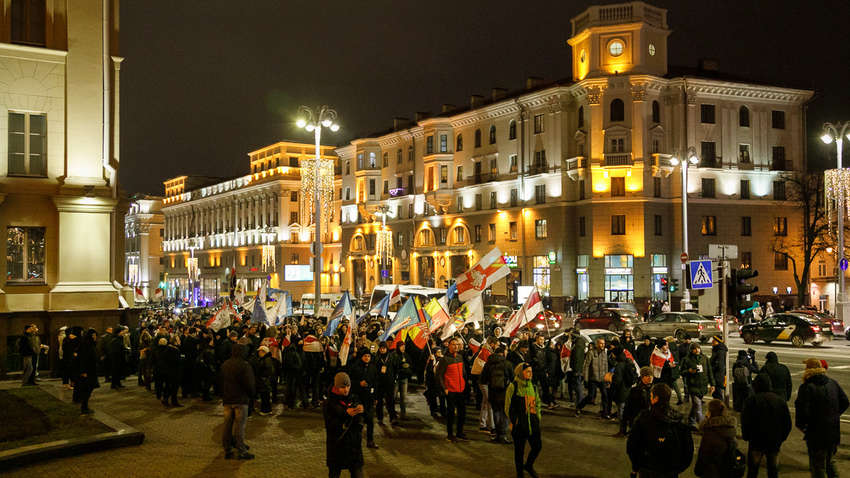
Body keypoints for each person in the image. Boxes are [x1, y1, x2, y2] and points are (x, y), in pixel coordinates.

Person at [794, 357, 849, 478]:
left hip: (816, 434)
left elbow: (802, 411)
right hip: (833, 432)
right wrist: (834, 415)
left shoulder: (807, 387)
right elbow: (845, 402)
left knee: (818, 466)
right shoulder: (832, 383)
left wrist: (804, 427)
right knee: (829, 462)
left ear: (808, 369)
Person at [627, 383, 694, 478]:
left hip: (648, 469)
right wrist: (677, 469)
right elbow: (688, 450)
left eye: (651, 396)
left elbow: (632, 446)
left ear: (656, 398)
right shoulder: (679, 420)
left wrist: (636, 466)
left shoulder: (644, 418)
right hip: (670, 471)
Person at [741, 374, 791, 478]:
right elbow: (787, 422)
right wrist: (782, 437)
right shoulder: (779, 400)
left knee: (753, 470)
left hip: (756, 439)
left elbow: (745, 420)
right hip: (774, 440)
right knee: (773, 469)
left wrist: (746, 436)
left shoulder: (751, 400)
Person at [323, 372, 365, 478]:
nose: (346, 389)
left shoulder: (354, 398)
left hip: (354, 446)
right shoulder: (330, 402)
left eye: (348, 386)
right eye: (343, 387)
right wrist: (346, 414)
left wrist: (360, 412)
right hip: (337, 445)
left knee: (358, 473)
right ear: (336, 387)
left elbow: (362, 420)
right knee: (334, 473)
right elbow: (330, 425)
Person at [505, 363, 542, 478]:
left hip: (533, 423)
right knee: (519, 451)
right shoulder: (513, 386)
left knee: (537, 446)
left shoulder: (533, 386)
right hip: (520, 425)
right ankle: (519, 473)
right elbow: (507, 406)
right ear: (521, 372)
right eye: (527, 371)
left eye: (531, 371)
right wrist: (514, 421)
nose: (530, 374)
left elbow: (538, 403)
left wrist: (537, 417)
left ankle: (529, 465)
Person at [220, 343, 255, 460]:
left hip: (228, 399)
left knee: (227, 426)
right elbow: (249, 384)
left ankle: (227, 449)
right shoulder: (245, 365)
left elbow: (219, 381)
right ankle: (241, 451)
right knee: (239, 426)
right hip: (240, 399)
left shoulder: (225, 364)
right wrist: (251, 395)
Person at [694, 399, 739, 478]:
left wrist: (698, 470)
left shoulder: (709, 433)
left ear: (710, 413)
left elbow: (703, 455)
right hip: (728, 469)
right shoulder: (731, 428)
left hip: (712, 472)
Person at [437, 337, 468, 442]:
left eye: (457, 344)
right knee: (451, 413)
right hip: (451, 390)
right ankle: (450, 434)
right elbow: (439, 375)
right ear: (449, 346)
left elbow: (463, 373)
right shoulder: (444, 359)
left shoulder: (460, 357)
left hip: (461, 389)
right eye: (453, 344)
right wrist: (444, 388)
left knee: (462, 412)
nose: (456, 346)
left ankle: (459, 432)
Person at [481, 344, 513, 444]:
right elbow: (512, 377)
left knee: (496, 412)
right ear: (503, 353)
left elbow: (483, 379)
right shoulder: (507, 363)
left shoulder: (489, 364)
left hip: (493, 391)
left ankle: (498, 435)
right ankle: (503, 435)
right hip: (504, 392)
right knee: (504, 413)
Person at [680, 342, 714, 430]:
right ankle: (703, 426)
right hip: (692, 386)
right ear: (691, 350)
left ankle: (691, 420)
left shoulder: (705, 358)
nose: (697, 350)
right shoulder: (686, 359)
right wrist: (689, 371)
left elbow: (710, 372)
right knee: (698, 406)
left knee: (695, 406)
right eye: (695, 348)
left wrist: (712, 384)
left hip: (702, 386)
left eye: (698, 348)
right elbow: (682, 372)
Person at [349, 347, 379, 449]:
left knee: (370, 421)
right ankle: (355, 441)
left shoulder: (373, 368)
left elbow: (376, 382)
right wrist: (359, 383)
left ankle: (370, 441)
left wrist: (375, 397)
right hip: (358, 398)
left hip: (369, 398)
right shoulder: (355, 367)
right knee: (358, 422)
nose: (367, 358)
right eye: (365, 356)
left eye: (369, 356)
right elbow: (350, 382)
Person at [579, 337, 611, 418]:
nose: (602, 345)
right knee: (591, 396)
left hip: (602, 379)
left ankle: (605, 413)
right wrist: (585, 378)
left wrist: (607, 378)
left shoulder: (604, 353)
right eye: (601, 343)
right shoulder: (591, 353)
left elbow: (606, 366)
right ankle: (579, 407)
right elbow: (586, 366)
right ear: (597, 344)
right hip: (593, 378)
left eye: (603, 343)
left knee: (605, 395)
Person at [611, 347, 638, 437]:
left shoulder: (619, 365)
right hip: (629, 390)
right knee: (629, 412)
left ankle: (622, 431)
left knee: (622, 413)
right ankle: (630, 430)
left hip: (621, 392)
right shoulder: (628, 361)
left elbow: (617, 381)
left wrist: (611, 382)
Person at [73, 329, 100, 414]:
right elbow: (83, 359)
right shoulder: (87, 345)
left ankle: (85, 406)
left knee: (88, 388)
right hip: (88, 371)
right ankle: (84, 407)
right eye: (94, 335)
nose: (95, 337)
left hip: (91, 370)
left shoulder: (90, 344)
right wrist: (83, 371)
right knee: (87, 389)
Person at [623, 366, 653, 435]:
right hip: (636, 420)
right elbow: (628, 407)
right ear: (642, 377)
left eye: (651, 376)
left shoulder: (653, 390)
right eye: (647, 375)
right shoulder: (635, 390)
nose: (650, 378)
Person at [373, 341, 398, 425]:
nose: (382, 350)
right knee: (379, 401)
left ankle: (392, 417)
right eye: (381, 348)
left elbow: (395, 368)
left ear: (386, 348)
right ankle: (380, 417)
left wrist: (394, 378)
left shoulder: (391, 357)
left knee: (390, 400)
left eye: (384, 348)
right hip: (379, 383)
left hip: (389, 382)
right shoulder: (376, 357)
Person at [392, 341, 412, 420]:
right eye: (401, 346)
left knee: (403, 398)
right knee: (393, 396)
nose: (403, 347)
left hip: (404, 379)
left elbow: (410, 365)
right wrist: (401, 366)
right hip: (396, 379)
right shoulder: (394, 355)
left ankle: (403, 414)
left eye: (404, 346)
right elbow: (394, 366)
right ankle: (392, 413)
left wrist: (408, 370)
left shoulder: (406, 355)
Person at [709, 336, 727, 400]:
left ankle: (720, 408)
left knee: (717, 394)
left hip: (718, 376)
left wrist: (711, 368)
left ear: (718, 342)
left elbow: (720, 365)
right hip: (716, 375)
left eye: (714, 340)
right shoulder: (716, 349)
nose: (712, 341)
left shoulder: (720, 351)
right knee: (716, 394)